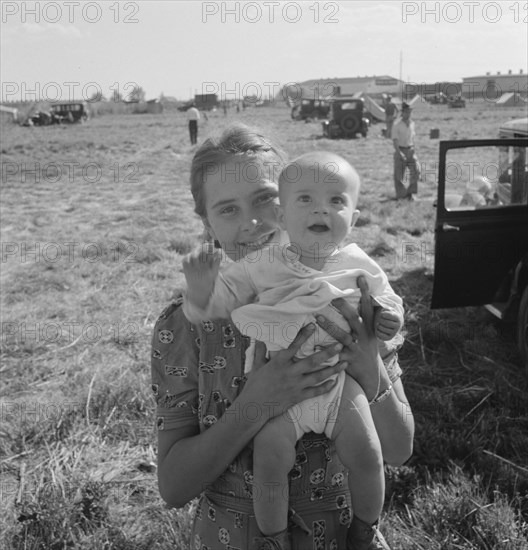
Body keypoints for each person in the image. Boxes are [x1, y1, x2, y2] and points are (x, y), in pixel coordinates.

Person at [151, 124, 414, 550]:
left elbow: (399, 449)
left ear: (292, 201)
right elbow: (174, 486)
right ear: (207, 222)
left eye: (265, 200)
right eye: (227, 210)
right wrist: (255, 406)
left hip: (342, 536)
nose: (253, 223)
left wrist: (369, 365)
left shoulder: (348, 296)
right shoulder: (184, 326)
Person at [392, 102, 421, 200]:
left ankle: (411, 193)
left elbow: (413, 138)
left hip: (410, 149)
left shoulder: (412, 124)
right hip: (400, 149)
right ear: (402, 112)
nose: (408, 114)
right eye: (407, 112)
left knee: (416, 171)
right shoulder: (397, 125)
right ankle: (401, 195)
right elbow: (395, 140)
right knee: (399, 175)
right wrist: (399, 152)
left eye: (410, 112)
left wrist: (414, 149)